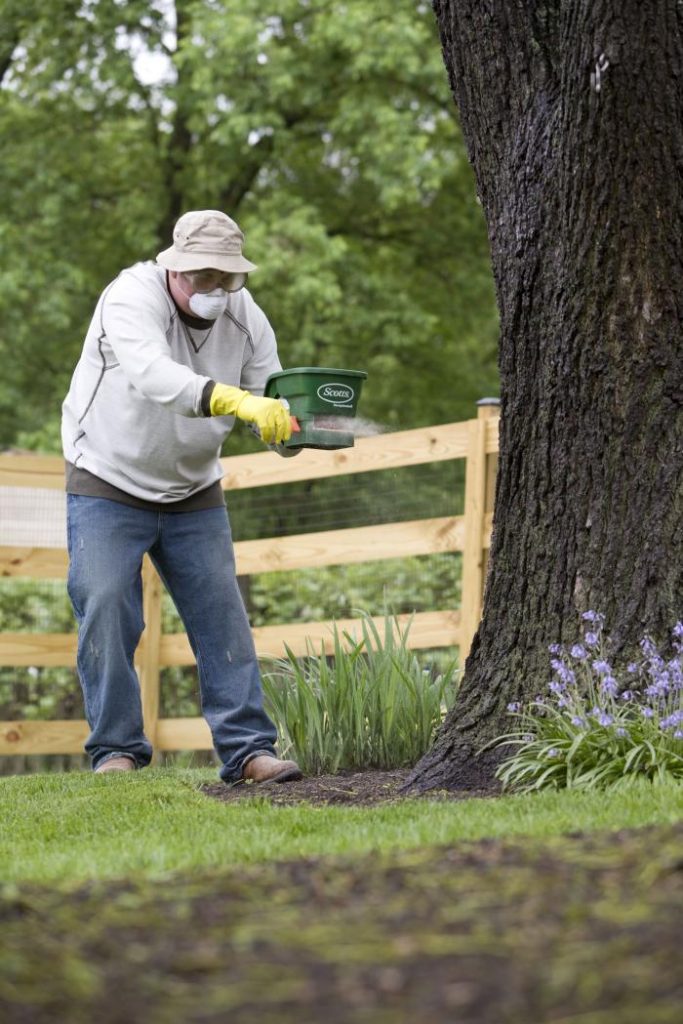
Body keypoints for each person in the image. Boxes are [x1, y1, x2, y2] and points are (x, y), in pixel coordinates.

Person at [61, 209, 302, 783]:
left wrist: (291, 433)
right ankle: (116, 751)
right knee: (105, 602)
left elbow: (269, 397)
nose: (215, 290)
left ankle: (248, 752)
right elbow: (154, 376)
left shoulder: (248, 320)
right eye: (203, 277)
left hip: (193, 485)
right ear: (175, 268)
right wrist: (239, 402)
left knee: (222, 614)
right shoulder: (129, 298)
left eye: (227, 279)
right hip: (107, 475)